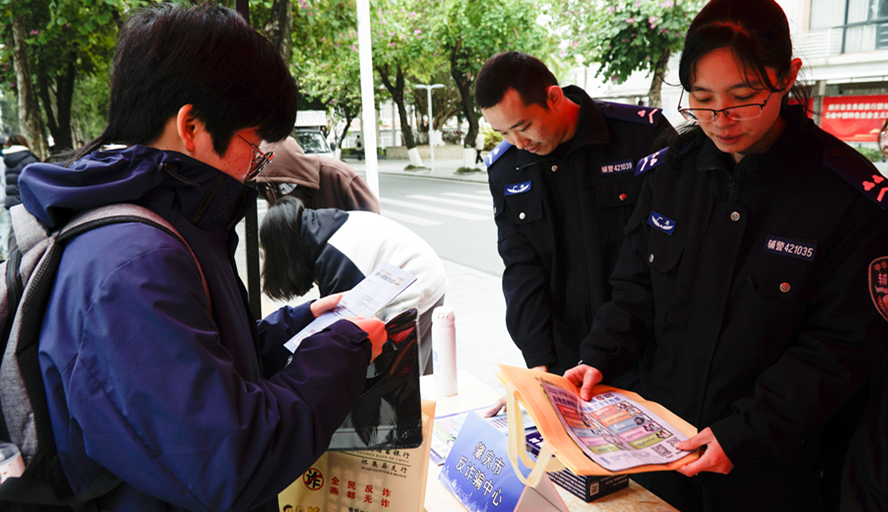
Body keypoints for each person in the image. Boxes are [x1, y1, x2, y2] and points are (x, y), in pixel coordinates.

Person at [19, 4, 386, 511]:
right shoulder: (132, 266)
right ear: (191, 125)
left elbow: (195, 364)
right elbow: (231, 459)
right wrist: (343, 349)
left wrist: (296, 324)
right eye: (254, 144)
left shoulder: (165, 224)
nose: (256, 165)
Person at [563, 0, 888, 510]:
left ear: (787, 77)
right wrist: (598, 356)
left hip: (766, 470)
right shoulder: (669, 174)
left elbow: (838, 348)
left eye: (743, 98)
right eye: (702, 99)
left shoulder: (845, 197)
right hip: (660, 452)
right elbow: (635, 289)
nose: (721, 120)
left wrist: (746, 432)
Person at [476, 51, 674, 383]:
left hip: (648, 352)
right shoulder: (507, 170)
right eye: (503, 133)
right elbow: (522, 269)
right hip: (566, 362)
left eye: (523, 127)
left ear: (554, 97)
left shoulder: (640, 137)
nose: (519, 143)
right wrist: (538, 357)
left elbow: (668, 256)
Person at [260, 196, 448, 376]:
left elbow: (342, 331)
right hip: (419, 271)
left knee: (405, 372)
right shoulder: (324, 228)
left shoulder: (333, 257)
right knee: (418, 367)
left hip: (415, 281)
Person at [255, 135, 380, 213]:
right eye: (271, 184)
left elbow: (373, 220)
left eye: (281, 181)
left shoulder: (339, 175)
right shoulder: (272, 187)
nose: (280, 188)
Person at [4, 133, 39, 255]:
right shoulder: (28, 159)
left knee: (13, 232)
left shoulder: (7, 159)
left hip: (11, 200)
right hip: (25, 201)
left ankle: (11, 258)